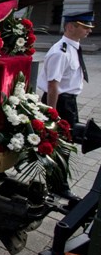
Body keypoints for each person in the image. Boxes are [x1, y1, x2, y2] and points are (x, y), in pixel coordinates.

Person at [37, 11, 94, 199]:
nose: (88, 31)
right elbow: (53, 86)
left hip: (68, 101)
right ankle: (57, 186)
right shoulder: (60, 52)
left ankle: (56, 183)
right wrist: (53, 114)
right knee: (60, 145)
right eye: (85, 27)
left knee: (64, 145)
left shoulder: (72, 48)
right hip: (60, 102)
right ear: (70, 26)